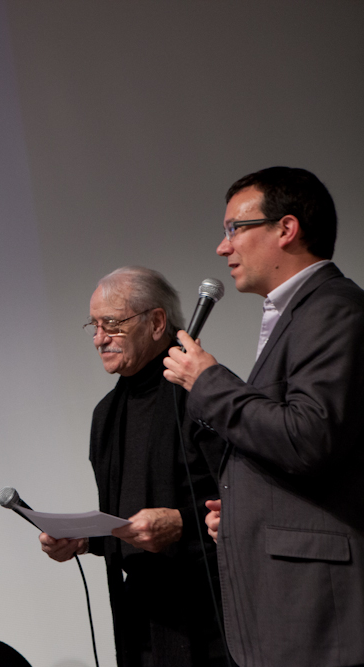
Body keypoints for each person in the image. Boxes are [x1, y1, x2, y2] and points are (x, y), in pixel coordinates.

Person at [164, 167, 364, 667]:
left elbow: (308, 438)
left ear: (286, 229)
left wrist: (206, 380)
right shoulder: (299, 313)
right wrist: (243, 512)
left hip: (317, 609)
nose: (222, 246)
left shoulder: (333, 309)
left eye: (235, 228)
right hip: (286, 600)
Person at [40, 267, 226, 667]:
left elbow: (247, 498)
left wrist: (181, 524)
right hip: (140, 617)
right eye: (94, 325)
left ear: (157, 322)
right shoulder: (106, 415)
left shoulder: (203, 393)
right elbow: (128, 524)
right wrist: (86, 540)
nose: (98, 338)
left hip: (212, 609)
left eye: (112, 324)